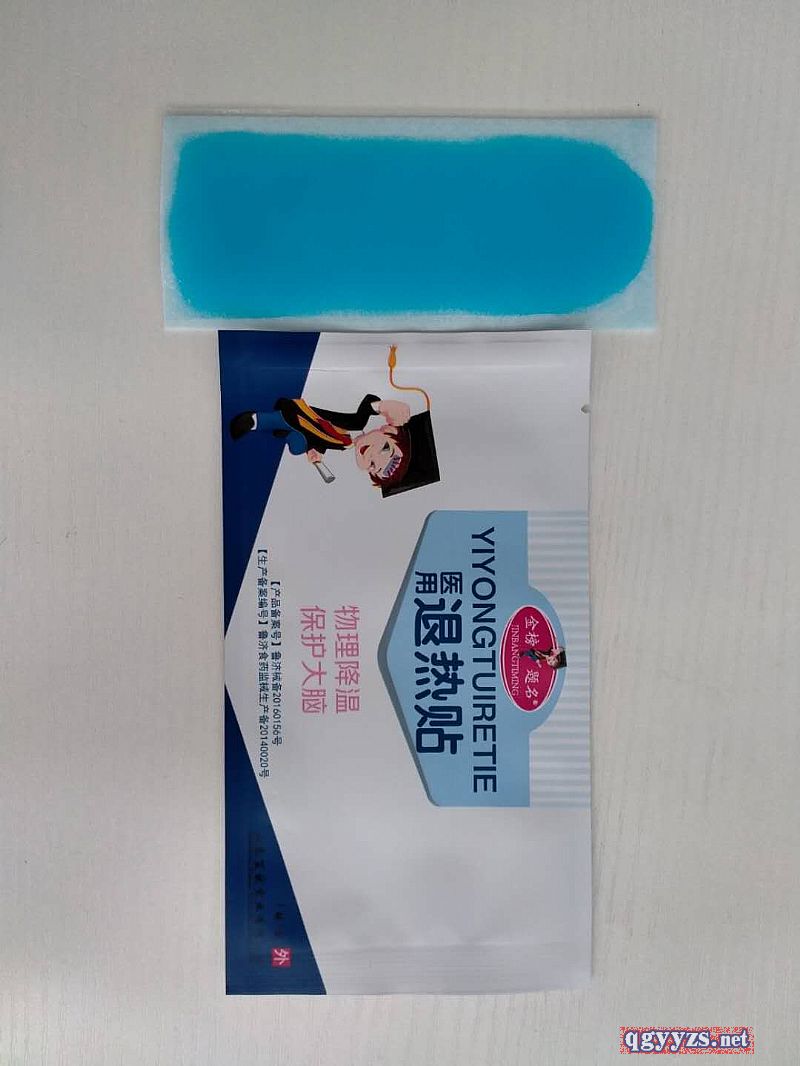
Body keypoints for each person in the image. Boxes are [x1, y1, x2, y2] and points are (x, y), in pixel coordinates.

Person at [230, 394, 416, 490]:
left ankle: (272, 428)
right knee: (286, 422)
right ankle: (255, 420)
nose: (370, 455)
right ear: (389, 431)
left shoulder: (347, 444)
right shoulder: (358, 425)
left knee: (297, 446)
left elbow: (325, 439)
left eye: (373, 466)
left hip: (307, 430)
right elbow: (365, 409)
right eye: (385, 448)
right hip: (306, 415)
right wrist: (382, 406)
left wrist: (316, 450)